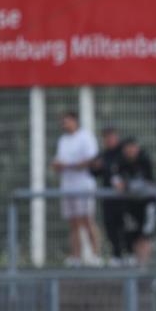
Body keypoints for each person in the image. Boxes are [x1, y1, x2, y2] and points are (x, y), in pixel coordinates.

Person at [53, 111, 100, 266]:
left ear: (75, 121)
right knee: (73, 222)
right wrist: (58, 166)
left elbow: (91, 160)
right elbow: (59, 162)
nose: (65, 125)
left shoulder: (85, 137)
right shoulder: (63, 140)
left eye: (67, 121)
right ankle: (76, 256)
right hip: (68, 185)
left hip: (84, 185)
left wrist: (68, 165)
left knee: (86, 220)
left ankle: (94, 255)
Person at [115, 138, 156, 266]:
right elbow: (116, 181)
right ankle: (138, 265)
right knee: (133, 234)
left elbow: (149, 183)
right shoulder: (121, 162)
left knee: (146, 234)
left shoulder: (144, 160)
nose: (130, 151)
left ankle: (144, 265)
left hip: (147, 204)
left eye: (132, 147)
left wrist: (129, 186)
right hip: (132, 205)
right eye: (127, 148)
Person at [91, 127, 127, 264]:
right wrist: (95, 166)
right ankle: (116, 255)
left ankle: (129, 254)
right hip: (108, 199)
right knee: (110, 226)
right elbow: (95, 172)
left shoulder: (124, 153)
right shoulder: (104, 155)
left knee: (124, 226)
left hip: (124, 200)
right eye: (106, 138)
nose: (109, 140)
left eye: (111, 137)